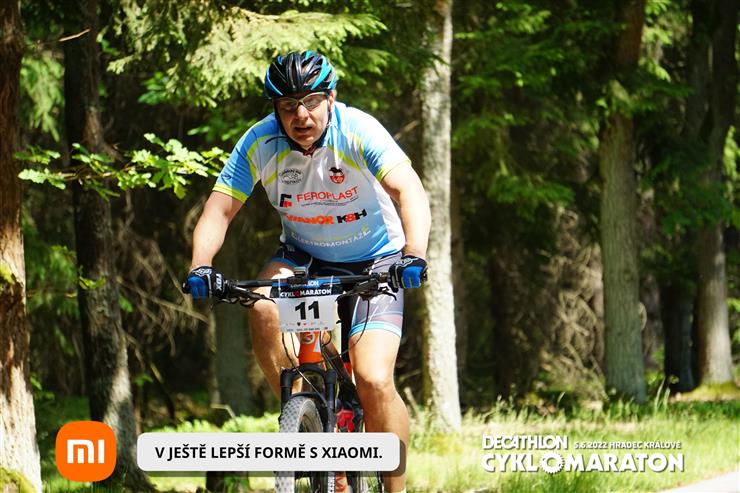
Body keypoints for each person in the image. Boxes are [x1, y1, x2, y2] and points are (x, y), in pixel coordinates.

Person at [183, 50, 430, 493]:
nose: (301, 115)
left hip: (377, 258)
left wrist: (414, 253)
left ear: (330, 98)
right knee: (263, 307)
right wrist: (200, 266)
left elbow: (408, 189)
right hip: (305, 256)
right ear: (275, 109)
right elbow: (219, 210)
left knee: (373, 378)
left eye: (311, 101)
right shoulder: (259, 142)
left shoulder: (358, 130)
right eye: (288, 106)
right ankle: (304, 415)